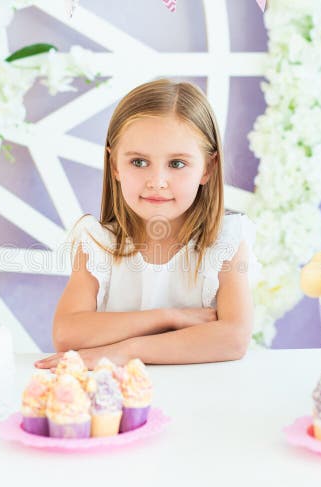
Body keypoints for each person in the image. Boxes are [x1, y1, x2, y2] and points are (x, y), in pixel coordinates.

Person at [35, 79, 256, 370]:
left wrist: (127, 351)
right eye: (139, 162)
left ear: (208, 168)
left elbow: (233, 338)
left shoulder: (225, 242)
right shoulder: (98, 243)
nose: (156, 181)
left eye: (177, 164)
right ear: (114, 165)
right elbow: (67, 333)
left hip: (202, 396)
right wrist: (168, 317)